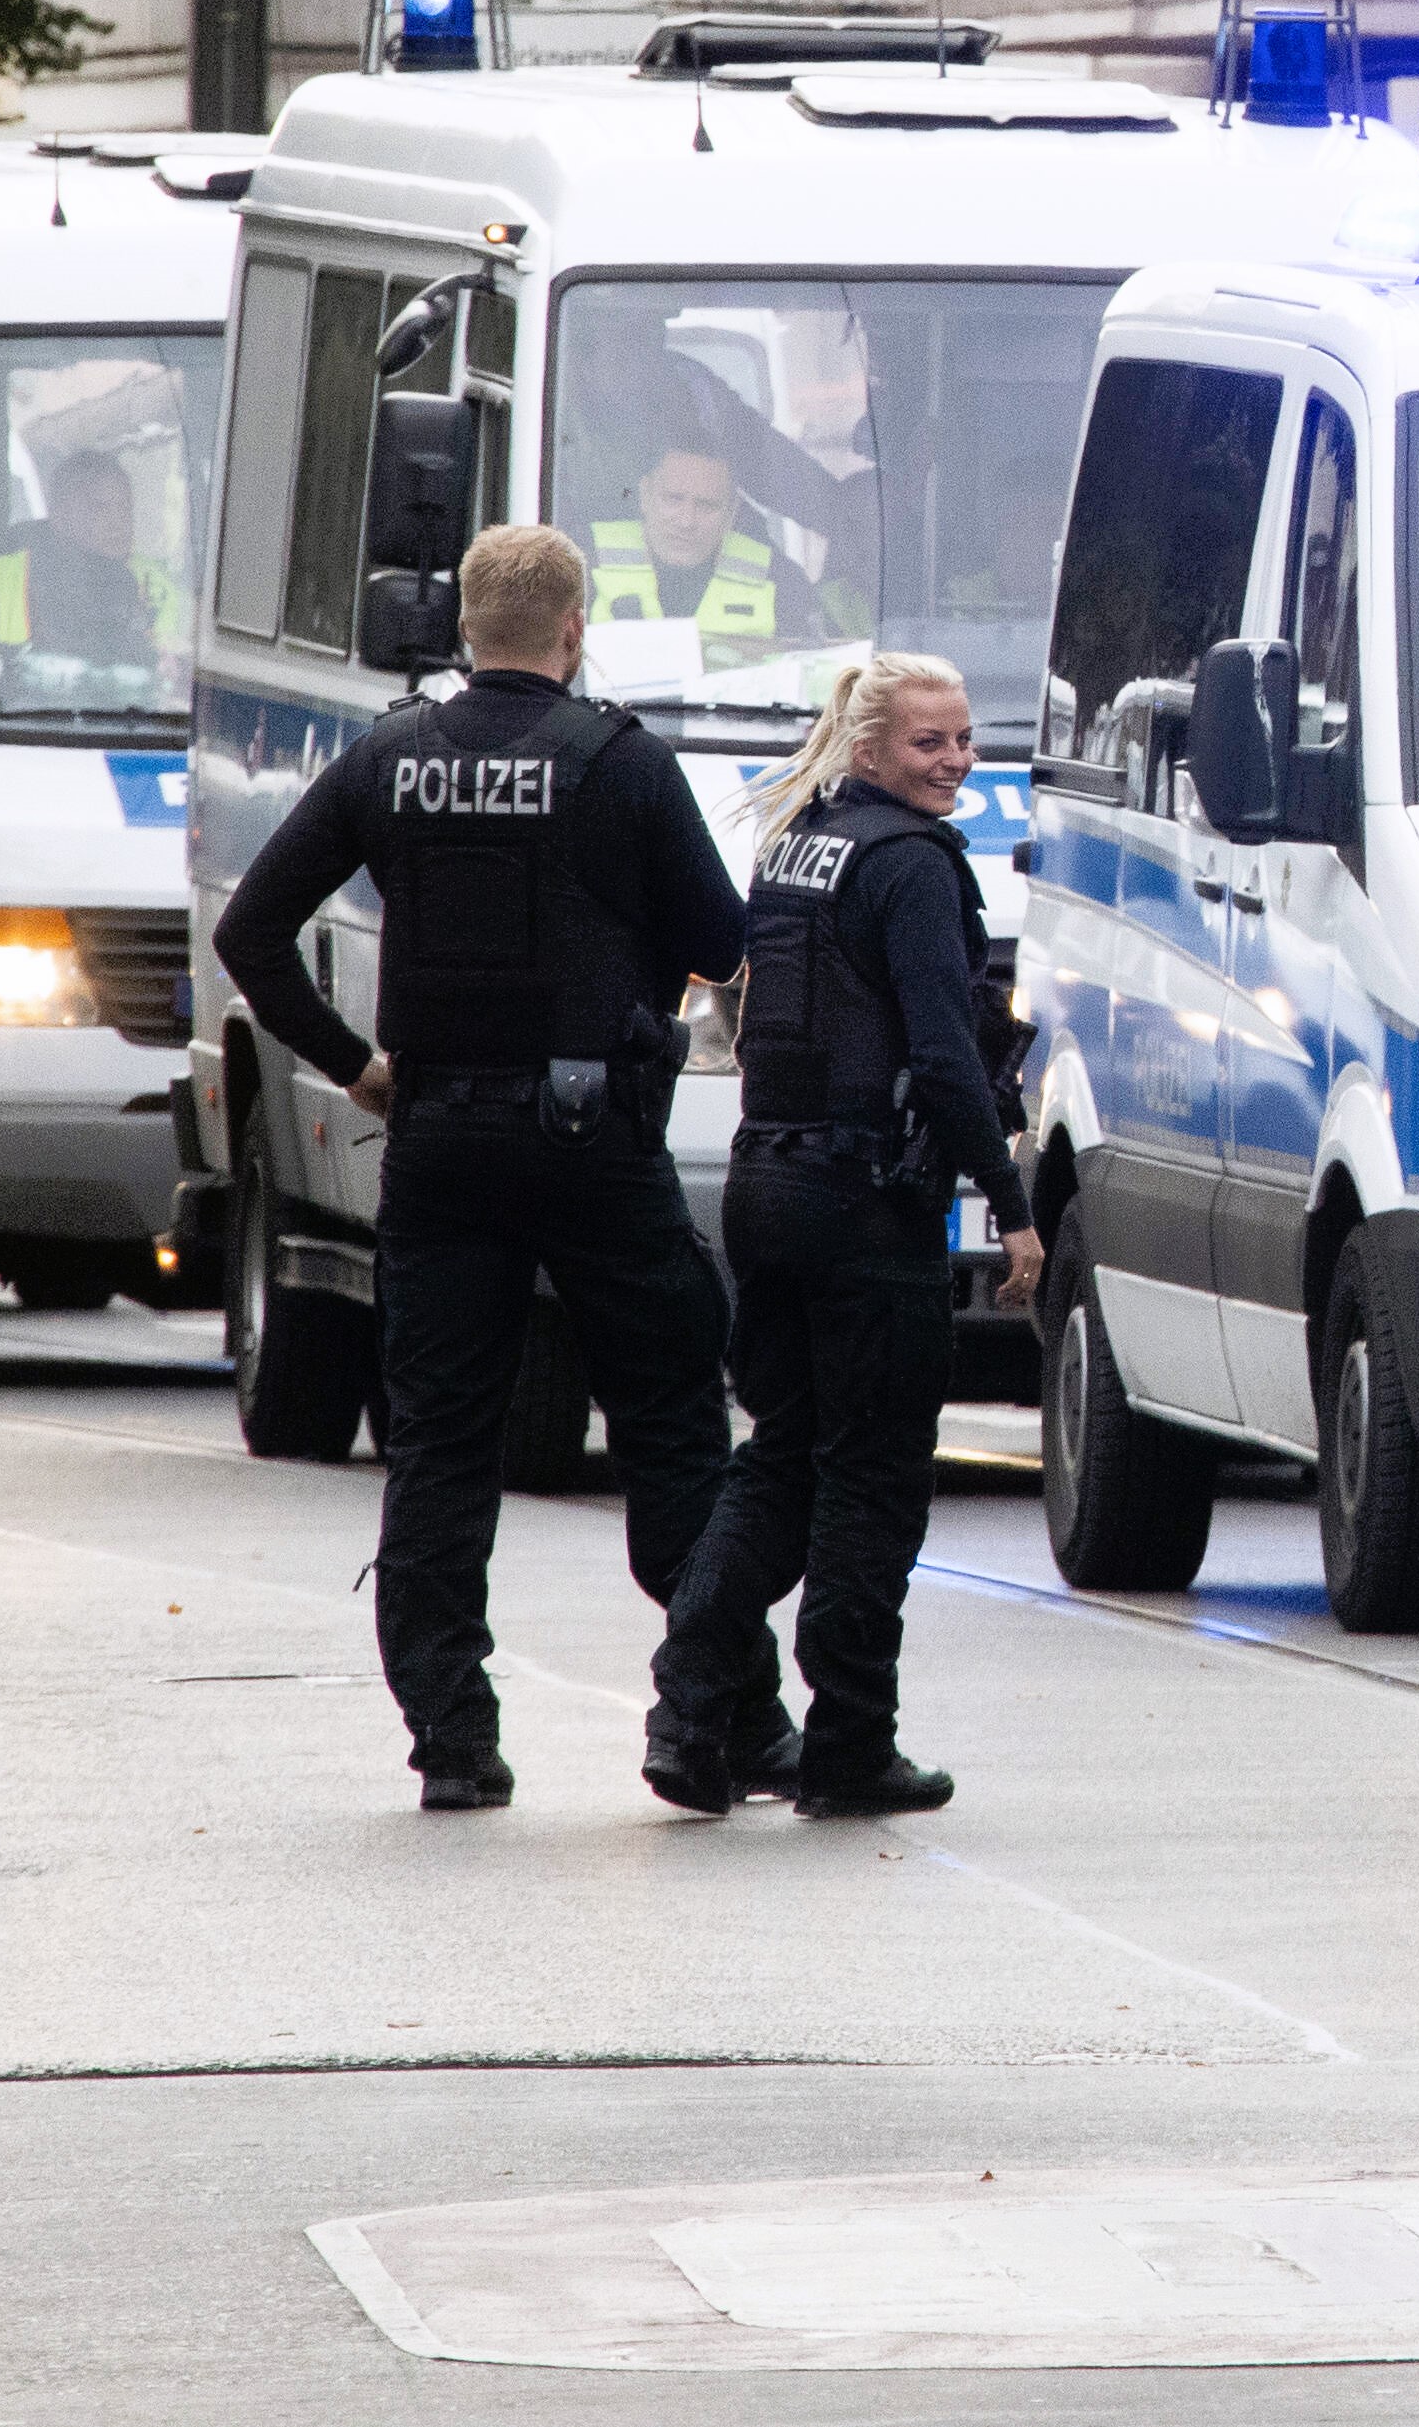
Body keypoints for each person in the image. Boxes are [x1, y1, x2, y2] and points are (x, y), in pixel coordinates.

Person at [206, 524, 773, 1812]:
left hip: (441, 1142)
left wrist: (355, 1065)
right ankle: (726, 1713)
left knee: (441, 1447)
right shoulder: (619, 762)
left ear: (467, 627)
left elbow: (253, 928)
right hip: (596, 1148)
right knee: (675, 1427)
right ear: (574, 633)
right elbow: (719, 936)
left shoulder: (392, 755)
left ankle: (452, 1739)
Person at [644, 652, 1039, 1821]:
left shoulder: (798, 840)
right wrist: (1009, 1203)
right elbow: (942, 1051)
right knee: (869, 1479)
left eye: (965, 739)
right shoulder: (912, 865)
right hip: (865, 1204)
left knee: (779, 1454)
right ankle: (851, 1743)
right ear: (868, 749)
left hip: (769, 1185)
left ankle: (689, 1703)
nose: (956, 760)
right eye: (929, 743)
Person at [591, 424, 829, 662]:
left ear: (732, 512)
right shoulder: (584, 561)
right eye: (673, 499)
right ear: (645, 495)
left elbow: (822, 671)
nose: (686, 521)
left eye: (706, 505)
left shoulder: (779, 581)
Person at [0, 450, 180, 678]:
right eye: (100, 509)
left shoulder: (162, 587)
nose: (119, 523)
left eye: (125, 508)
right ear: (59, 516)